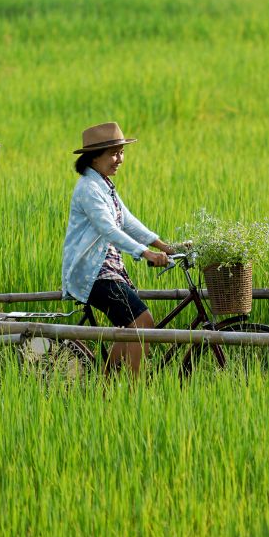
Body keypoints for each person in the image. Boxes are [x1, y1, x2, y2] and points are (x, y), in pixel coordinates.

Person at [62, 121, 177, 375]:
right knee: (142, 323)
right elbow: (109, 229)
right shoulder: (89, 189)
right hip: (94, 273)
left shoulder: (104, 186)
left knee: (129, 329)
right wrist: (144, 252)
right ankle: (136, 392)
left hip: (108, 269)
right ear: (94, 158)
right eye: (114, 153)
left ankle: (107, 389)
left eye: (122, 152)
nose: (120, 159)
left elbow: (127, 221)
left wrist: (164, 246)